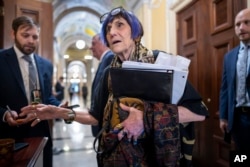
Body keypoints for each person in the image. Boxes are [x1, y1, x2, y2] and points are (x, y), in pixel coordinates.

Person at [20, 7, 208, 167]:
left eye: (119, 25)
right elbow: (96, 117)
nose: (112, 32)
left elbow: (198, 111)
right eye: (108, 29)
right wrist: (58, 113)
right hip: (116, 158)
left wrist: (146, 118)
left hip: (156, 157)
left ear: (135, 33)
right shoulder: (109, 72)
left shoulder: (160, 62)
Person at [0, 16, 61, 167]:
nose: (31, 40)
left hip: (40, 131)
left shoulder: (46, 65)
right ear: (13, 34)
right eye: (25, 35)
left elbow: (46, 97)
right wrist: (4, 113)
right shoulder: (1, 60)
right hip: (10, 135)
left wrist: (59, 107)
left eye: (35, 36)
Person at [219, 8, 250, 151]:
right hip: (238, 119)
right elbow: (225, 89)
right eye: (238, 24)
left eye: (247, 22)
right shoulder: (229, 56)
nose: (241, 28)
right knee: (241, 158)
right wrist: (223, 117)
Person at [89, 33, 114, 137]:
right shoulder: (104, 60)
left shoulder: (109, 58)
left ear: (103, 42)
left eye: (94, 43)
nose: (91, 47)